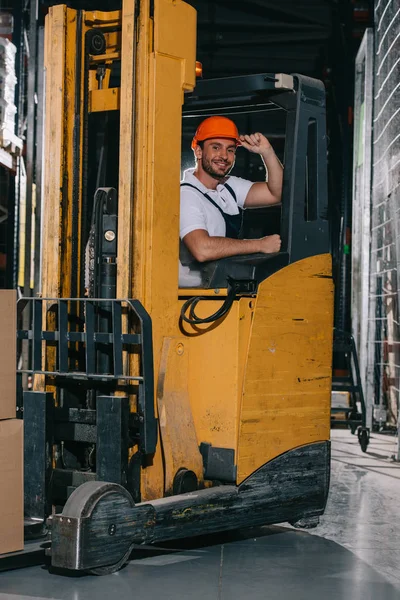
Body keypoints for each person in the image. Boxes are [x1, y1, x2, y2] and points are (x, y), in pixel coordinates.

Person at [179, 116, 284, 287]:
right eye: (216, 147)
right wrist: (259, 245)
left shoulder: (228, 186)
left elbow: (276, 193)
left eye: (230, 150)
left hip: (220, 289)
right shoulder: (187, 195)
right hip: (193, 295)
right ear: (198, 151)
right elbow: (202, 249)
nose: (224, 156)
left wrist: (267, 152)